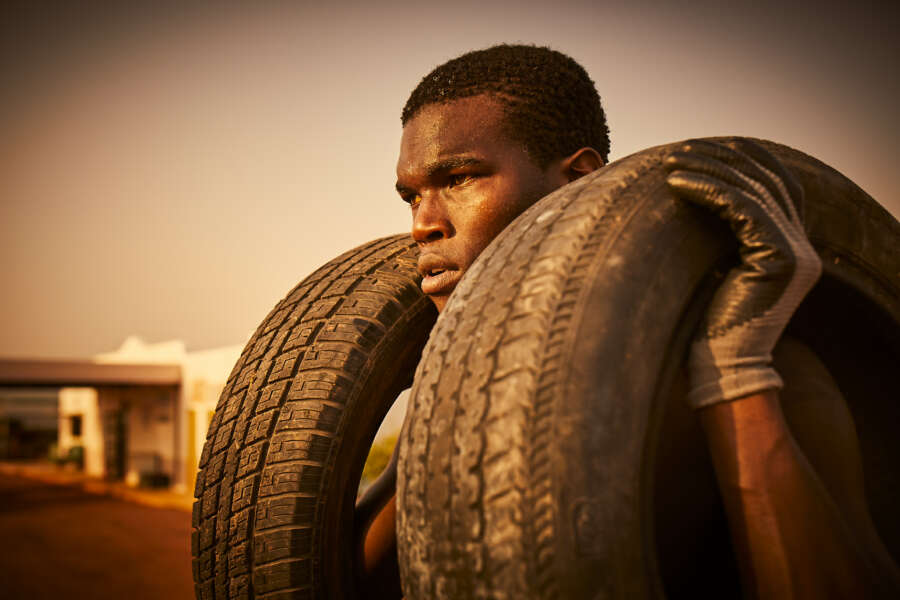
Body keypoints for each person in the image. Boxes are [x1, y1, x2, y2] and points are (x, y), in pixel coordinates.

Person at [356, 44, 900, 598]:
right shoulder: (467, 387)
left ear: (578, 181)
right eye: (411, 196)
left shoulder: (776, 372)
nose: (423, 224)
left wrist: (733, 372)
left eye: (459, 179)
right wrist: (457, 380)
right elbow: (344, 579)